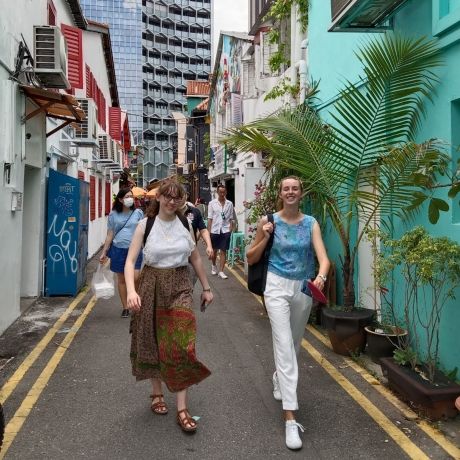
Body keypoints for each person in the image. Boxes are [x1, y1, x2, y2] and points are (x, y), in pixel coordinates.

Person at [246, 176, 330, 451]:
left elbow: (324, 258)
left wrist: (321, 276)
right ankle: (291, 418)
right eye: (286, 189)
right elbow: (251, 256)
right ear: (280, 194)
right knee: (283, 344)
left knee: (294, 343)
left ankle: (278, 378)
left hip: (304, 287)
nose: (290, 192)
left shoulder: (311, 223)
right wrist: (265, 235)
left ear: (301, 193)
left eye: (295, 188)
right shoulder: (269, 221)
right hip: (276, 286)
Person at [125, 178, 213, 433]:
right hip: (151, 284)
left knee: (182, 344)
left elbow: (194, 256)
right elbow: (131, 262)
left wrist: (206, 288)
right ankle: (156, 393)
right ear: (159, 198)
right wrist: (131, 290)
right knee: (152, 340)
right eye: (168, 196)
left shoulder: (186, 223)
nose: (172, 201)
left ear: (182, 200)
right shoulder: (145, 225)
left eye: (177, 197)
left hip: (180, 284)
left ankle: (182, 409)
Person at [100, 188, 144, 318]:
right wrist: (104, 252)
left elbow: (143, 230)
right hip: (118, 249)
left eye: (131, 196)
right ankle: (125, 307)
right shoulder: (113, 215)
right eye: (127, 196)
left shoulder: (138, 213)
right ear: (120, 199)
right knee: (122, 279)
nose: (130, 198)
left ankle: (135, 299)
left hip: (135, 250)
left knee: (136, 277)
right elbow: (110, 234)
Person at [207, 184, 235, 279]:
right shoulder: (212, 203)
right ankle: (214, 265)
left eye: (224, 192)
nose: (222, 194)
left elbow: (231, 217)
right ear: (217, 192)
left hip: (225, 230)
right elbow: (210, 218)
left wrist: (230, 230)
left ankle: (221, 271)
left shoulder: (230, 204)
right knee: (214, 251)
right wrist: (208, 232)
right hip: (214, 230)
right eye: (220, 192)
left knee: (223, 250)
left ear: (226, 192)